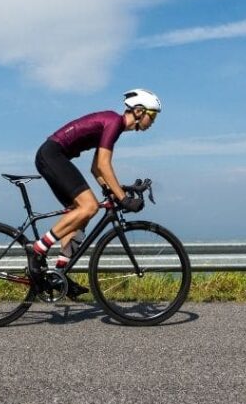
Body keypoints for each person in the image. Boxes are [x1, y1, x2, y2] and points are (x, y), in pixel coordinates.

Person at [28, 88, 161, 298]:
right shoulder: (114, 122)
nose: (153, 121)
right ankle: (37, 249)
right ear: (138, 111)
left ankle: (58, 275)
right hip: (52, 155)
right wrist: (123, 198)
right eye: (152, 115)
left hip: (53, 156)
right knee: (89, 206)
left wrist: (111, 191)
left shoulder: (114, 126)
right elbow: (104, 165)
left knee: (80, 216)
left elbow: (96, 169)